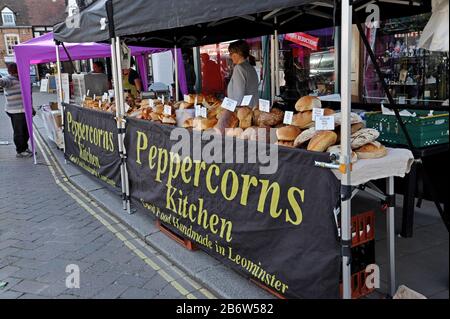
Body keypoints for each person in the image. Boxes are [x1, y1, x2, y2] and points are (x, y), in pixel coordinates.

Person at [0, 63, 32, 158]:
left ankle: (25, 147)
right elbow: (2, 82)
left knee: (26, 131)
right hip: (15, 111)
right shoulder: (9, 79)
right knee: (19, 132)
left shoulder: (22, 78)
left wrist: (31, 108)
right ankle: (20, 151)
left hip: (25, 110)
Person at [227, 40, 259, 106]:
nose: (230, 56)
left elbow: (238, 95)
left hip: (242, 110)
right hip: (252, 107)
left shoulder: (239, 68)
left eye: (231, 53)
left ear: (239, 53)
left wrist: (233, 111)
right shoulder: (250, 67)